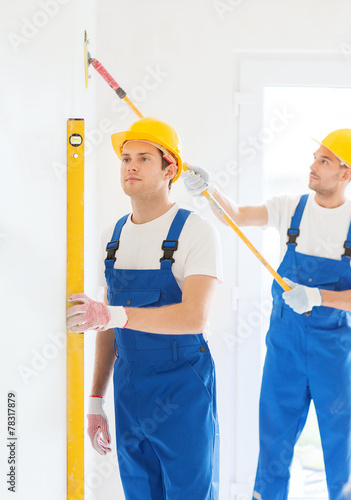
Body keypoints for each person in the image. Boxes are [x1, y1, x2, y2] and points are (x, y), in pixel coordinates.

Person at [182, 128, 351, 500]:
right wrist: (208, 191)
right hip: (284, 346)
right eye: (315, 157)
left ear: (346, 173)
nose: (313, 166)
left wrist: (319, 296)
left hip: (332, 350)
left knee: (340, 442)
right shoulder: (292, 208)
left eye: (324, 160)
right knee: (274, 438)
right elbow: (234, 216)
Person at [66, 117, 222, 500]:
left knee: (190, 493)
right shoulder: (112, 237)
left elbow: (194, 317)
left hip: (182, 383)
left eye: (143, 158)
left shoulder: (195, 230)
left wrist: (114, 315)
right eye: (125, 158)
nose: (130, 166)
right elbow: (108, 329)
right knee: (138, 492)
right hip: (129, 384)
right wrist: (95, 400)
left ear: (170, 168)